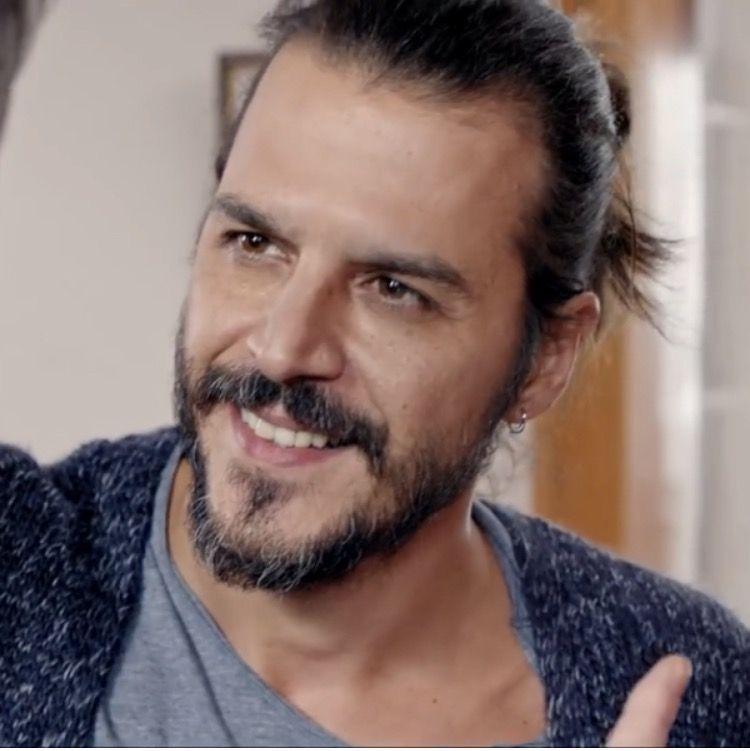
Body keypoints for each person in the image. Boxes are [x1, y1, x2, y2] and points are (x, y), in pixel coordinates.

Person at [0, 0, 748, 746]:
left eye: (393, 289)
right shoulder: (20, 564)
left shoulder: (699, 694)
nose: (282, 348)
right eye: (255, 243)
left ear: (545, 358)